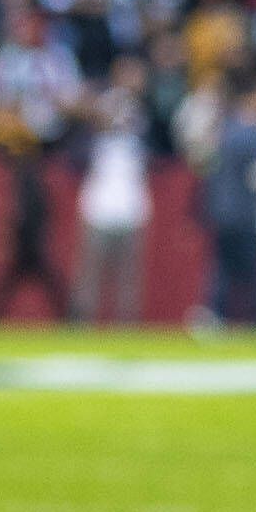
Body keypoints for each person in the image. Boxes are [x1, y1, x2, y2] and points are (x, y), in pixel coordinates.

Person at [0, 9, 84, 323]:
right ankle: (65, 311)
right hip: (17, 149)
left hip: (51, 146)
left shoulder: (58, 58)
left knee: (31, 247)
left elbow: (70, 102)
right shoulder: (11, 58)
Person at [190, 75, 256, 335]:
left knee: (222, 266)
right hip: (241, 210)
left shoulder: (224, 129)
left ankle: (215, 315)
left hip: (221, 209)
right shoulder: (250, 132)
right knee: (250, 268)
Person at [74, 60, 155, 327]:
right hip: (100, 207)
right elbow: (98, 118)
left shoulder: (142, 110)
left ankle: (125, 331)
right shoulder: (108, 104)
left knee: (128, 280)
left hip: (130, 207)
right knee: (91, 275)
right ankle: (82, 327)